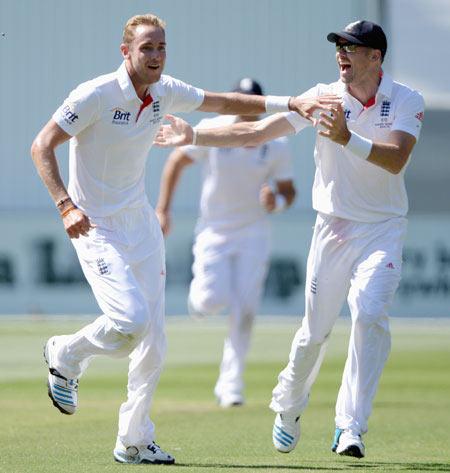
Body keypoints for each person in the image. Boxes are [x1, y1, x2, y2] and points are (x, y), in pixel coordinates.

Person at [30, 13, 335, 466]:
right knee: (130, 322)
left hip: (140, 224)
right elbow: (42, 145)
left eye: (161, 47)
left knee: (154, 342)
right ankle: (67, 352)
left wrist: (293, 102)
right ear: (126, 52)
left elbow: (225, 102)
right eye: (147, 48)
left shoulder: (166, 90)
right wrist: (64, 204)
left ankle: (134, 439)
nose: (155, 56)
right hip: (95, 226)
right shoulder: (94, 94)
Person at [154, 20, 425, 459]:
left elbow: (395, 159)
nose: (341, 53)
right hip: (333, 227)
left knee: (370, 313)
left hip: (383, 227)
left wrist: (345, 138)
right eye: (338, 45)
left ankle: (350, 426)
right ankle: (288, 405)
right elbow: (256, 131)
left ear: (375, 57)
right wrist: (195, 133)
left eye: (351, 47)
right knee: (313, 333)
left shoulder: (407, 100)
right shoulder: (324, 97)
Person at [156, 78, 297, 408]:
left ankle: (230, 383)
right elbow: (177, 160)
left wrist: (276, 199)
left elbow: (289, 190)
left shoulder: (275, 140)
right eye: (243, 102)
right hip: (214, 230)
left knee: (246, 309)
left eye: (254, 103)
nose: (248, 109)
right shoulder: (214, 129)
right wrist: (163, 209)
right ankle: (199, 301)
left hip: (253, 233)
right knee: (210, 300)